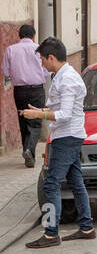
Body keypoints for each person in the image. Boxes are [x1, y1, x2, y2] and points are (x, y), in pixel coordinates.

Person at [22, 37, 95, 247]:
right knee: (75, 182)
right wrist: (41, 111)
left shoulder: (68, 79)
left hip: (67, 135)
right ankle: (86, 227)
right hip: (68, 134)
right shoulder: (63, 76)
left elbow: (64, 115)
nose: (42, 64)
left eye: (43, 60)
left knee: (51, 183)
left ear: (51, 57)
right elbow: (62, 109)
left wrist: (39, 116)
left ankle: (51, 233)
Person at [3, 24, 48, 167]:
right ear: (33, 35)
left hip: (19, 91)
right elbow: (46, 71)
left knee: (23, 119)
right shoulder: (40, 49)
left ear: (19, 36)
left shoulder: (10, 49)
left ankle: (28, 154)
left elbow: (5, 71)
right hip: (36, 89)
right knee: (35, 120)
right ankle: (29, 150)